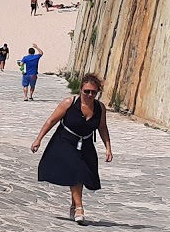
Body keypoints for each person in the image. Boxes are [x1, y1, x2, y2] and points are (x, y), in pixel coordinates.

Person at [30, 72, 112, 224]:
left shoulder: (100, 108)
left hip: (85, 144)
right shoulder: (69, 102)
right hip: (65, 142)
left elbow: (102, 128)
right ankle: (80, 208)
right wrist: (38, 140)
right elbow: (51, 121)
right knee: (76, 171)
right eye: (86, 91)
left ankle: (74, 205)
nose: (89, 95)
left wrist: (108, 148)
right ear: (80, 89)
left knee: (83, 174)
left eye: (93, 92)